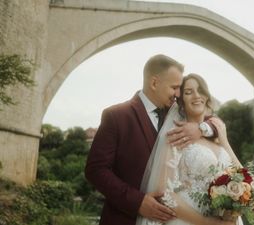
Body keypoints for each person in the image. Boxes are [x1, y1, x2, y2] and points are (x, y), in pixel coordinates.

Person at [85, 55, 218, 225]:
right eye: (174, 87)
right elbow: (95, 170)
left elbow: (213, 120)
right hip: (125, 219)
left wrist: (201, 129)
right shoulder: (116, 116)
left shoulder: (178, 112)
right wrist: (137, 202)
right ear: (154, 83)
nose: (178, 94)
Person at [137, 73, 243, 225]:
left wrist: (225, 142)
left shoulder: (216, 135)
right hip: (190, 219)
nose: (196, 95)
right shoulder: (176, 136)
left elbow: (244, 179)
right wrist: (206, 222)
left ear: (206, 96)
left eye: (200, 90)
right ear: (181, 102)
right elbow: (164, 193)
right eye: (188, 92)